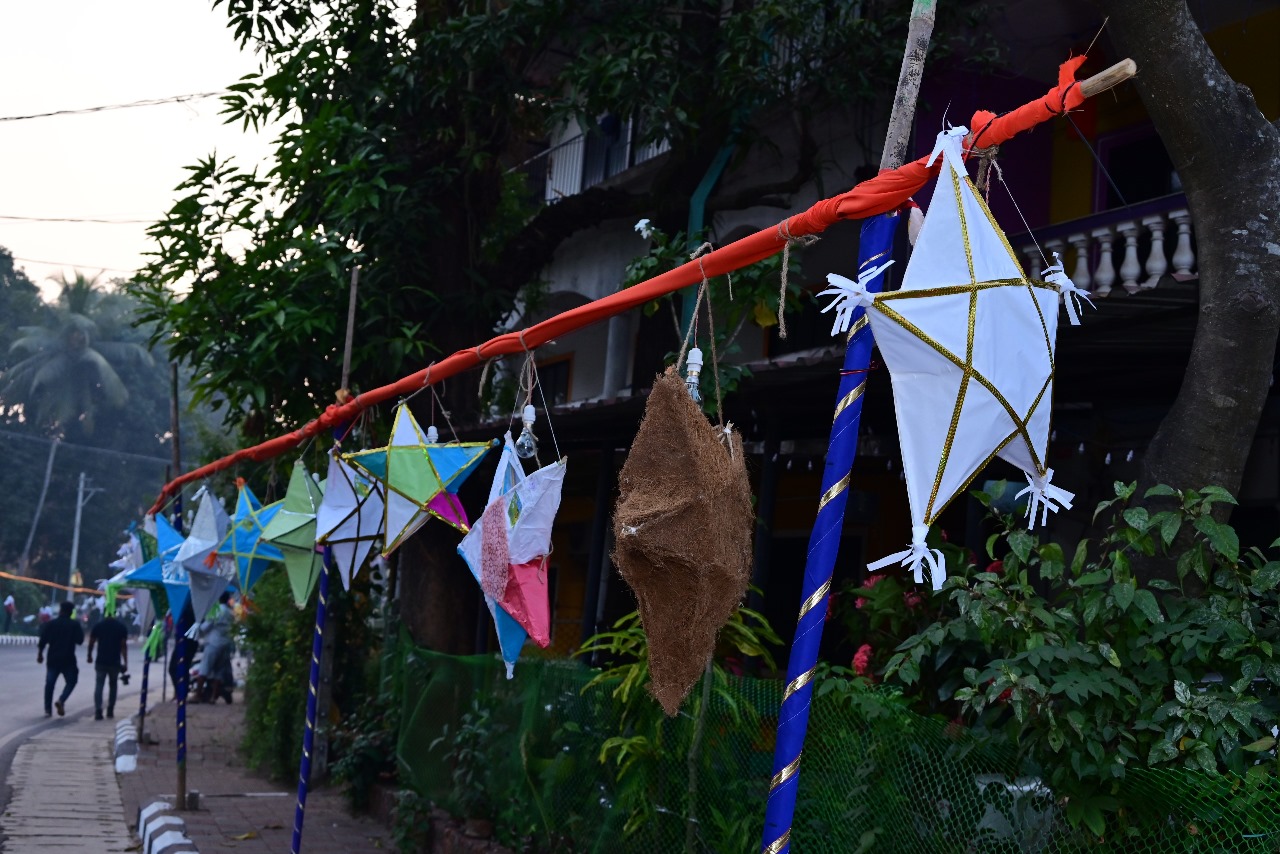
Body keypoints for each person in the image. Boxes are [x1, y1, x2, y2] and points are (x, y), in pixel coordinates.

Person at [37, 601, 84, 717]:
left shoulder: (51, 624)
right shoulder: (74, 625)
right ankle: (62, 699)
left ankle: (48, 709)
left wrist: (40, 654)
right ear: (71, 612)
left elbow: (43, 640)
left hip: (53, 658)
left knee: (50, 684)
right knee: (72, 681)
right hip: (68, 659)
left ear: (60, 610)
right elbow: (80, 640)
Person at [87, 612, 129, 720]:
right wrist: (125, 662)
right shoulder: (121, 627)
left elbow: (91, 642)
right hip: (115, 662)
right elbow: (123, 646)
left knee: (99, 685)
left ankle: (98, 710)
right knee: (113, 685)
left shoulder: (99, 625)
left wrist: (89, 655)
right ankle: (110, 709)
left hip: (101, 661)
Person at [196, 592, 236, 704]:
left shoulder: (216, 611)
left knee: (204, 669)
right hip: (226, 644)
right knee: (219, 672)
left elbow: (205, 627)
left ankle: (198, 695)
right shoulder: (230, 612)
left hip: (213, 643)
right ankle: (213, 697)